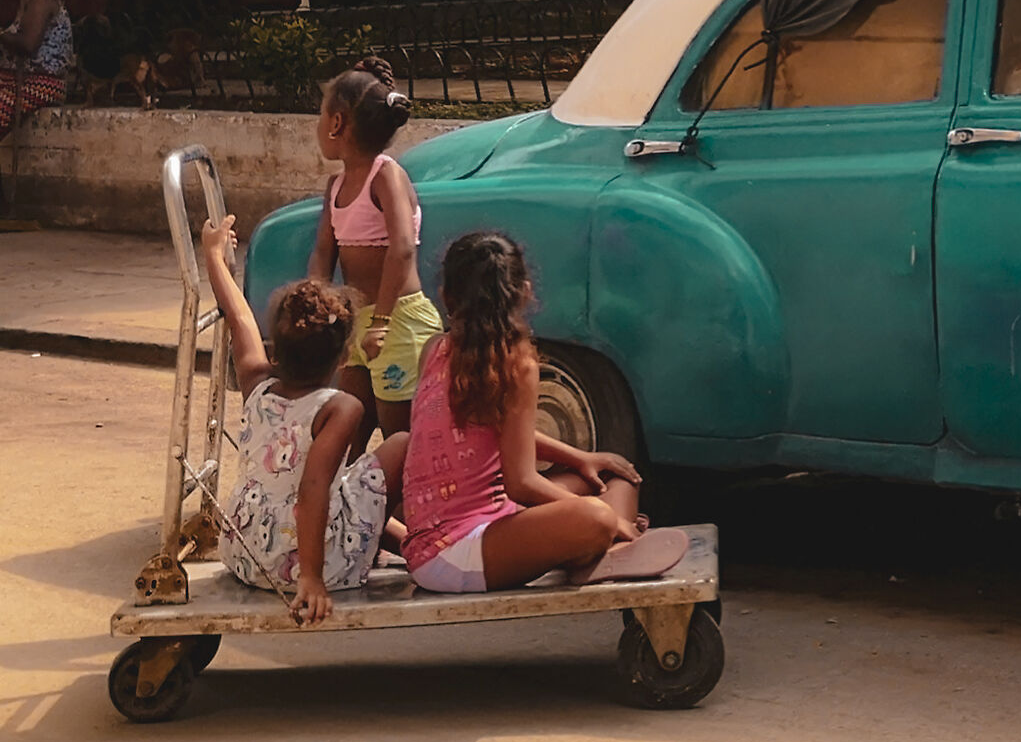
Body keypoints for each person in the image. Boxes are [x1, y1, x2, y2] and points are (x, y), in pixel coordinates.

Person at [405, 231, 681, 593]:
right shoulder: (516, 365)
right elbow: (522, 483)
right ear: (524, 292)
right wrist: (612, 521)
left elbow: (501, 434)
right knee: (596, 515)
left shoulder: (434, 349)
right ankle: (601, 545)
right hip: (458, 556)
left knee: (613, 476)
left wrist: (582, 458)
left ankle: (589, 545)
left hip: (443, 545)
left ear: (445, 296)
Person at [199, 215, 405, 623]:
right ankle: (382, 541)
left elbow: (240, 320)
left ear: (276, 351)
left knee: (349, 480)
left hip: (245, 553)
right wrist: (311, 577)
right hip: (301, 565)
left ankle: (393, 536)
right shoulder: (340, 407)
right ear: (344, 358)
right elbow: (313, 489)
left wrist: (213, 257)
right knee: (401, 445)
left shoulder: (257, 386)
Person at [308, 58, 441, 441]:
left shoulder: (386, 175)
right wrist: (314, 307)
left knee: (398, 436)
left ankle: (400, 502)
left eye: (321, 115)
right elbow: (322, 254)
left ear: (336, 123)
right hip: (359, 322)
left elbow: (401, 250)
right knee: (348, 427)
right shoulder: (335, 186)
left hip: (398, 321)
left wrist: (381, 323)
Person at [0, 0, 73, 139]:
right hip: (14, 81)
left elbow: (27, 45)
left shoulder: (40, 1)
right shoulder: (27, 1)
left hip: (40, 84)